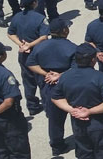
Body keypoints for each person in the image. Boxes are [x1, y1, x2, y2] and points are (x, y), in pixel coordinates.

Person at [51, 43, 103, 159]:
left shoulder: (65, 77)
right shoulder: (100, 78)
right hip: (99, 123)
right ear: (93, 60)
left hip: (78, 123)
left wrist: (73, 110)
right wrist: (89, 111)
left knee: (84, 152)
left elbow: (55, 97)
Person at [26, 18, 77, 155]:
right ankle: (81, 140)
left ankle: (57, 145)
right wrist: (60, 75)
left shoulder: (40, 46)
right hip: (69, 86)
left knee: (54, 119)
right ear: (65, 30)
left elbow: (31, 64)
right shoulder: (72, 47)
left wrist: (46, 74)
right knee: (77, 114)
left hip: (49, 86)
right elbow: (77, 68)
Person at [6, 0, 49, 116]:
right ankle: (47, 107)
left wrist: (21, 44)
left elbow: (10, 33)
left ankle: (32, 106)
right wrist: (30, 45)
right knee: (42, 81)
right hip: (38, 55)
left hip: (24, 54)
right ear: (34, 3)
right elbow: (44, 37)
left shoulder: (17, 17)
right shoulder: (40, 18)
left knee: (28, 81)